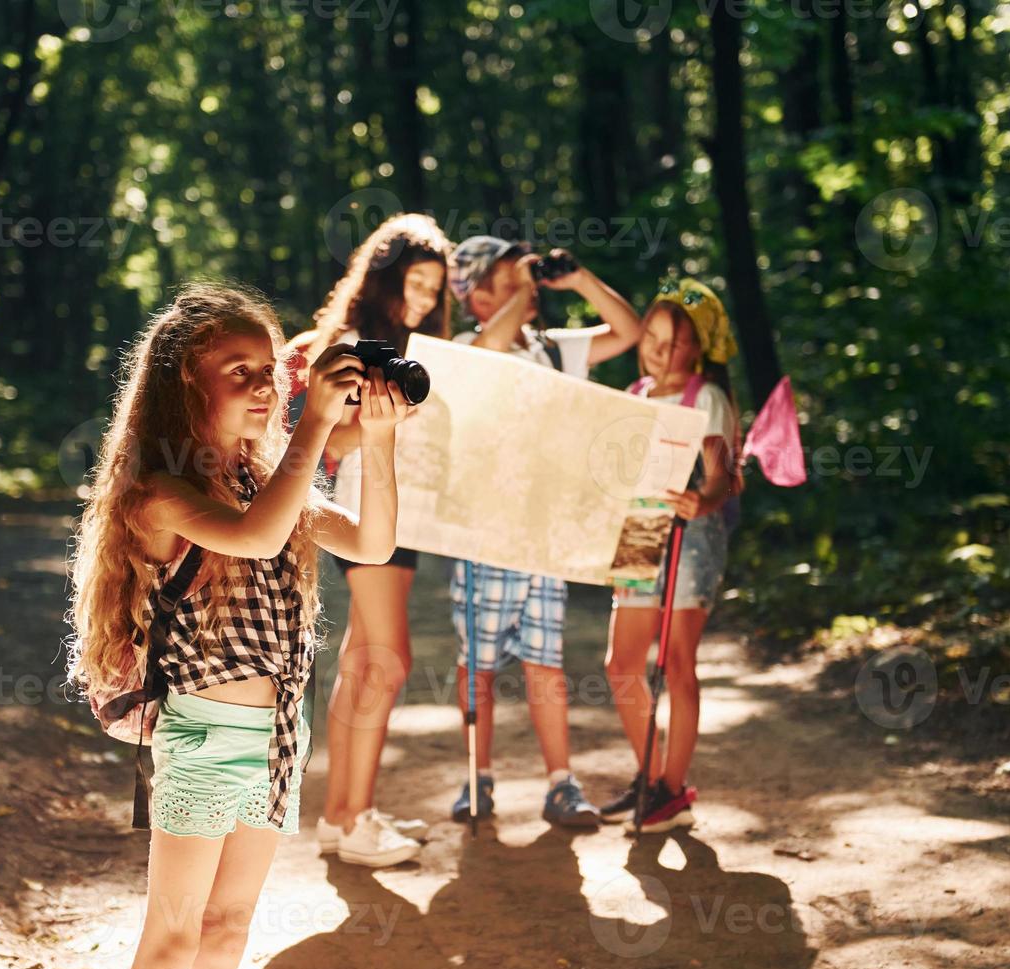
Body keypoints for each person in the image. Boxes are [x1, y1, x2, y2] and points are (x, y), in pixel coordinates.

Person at [66, 282, 412, 969]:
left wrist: (378, 440)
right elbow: (254, 540)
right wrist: (313, 426)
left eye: (270, 372)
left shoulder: (264, 483)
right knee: (173, 938)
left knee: (227, 931)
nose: (265, 388)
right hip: (203, 737)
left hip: (281, 733)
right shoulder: (160, 491)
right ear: (186, 381)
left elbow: (373, 544)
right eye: (241, 372)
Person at [444, 235, 644, 827]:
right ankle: (477, 777)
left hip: (546, 533)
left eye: (521, 280)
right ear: (477, 296)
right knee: (477, 659)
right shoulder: (466, 346)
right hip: (486, 532)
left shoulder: (554, 349)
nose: (521, 290)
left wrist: (578, 281)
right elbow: (486, 355)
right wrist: (525, 290)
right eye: (506, 281)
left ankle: (561, 782)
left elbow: (628, 332)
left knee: (544, 660)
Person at [289, 213, 452, 866]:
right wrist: (390, 426)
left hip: (395, 508)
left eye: (435, 288)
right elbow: (326, 442)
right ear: (385, 278)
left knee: (362, 659)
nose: (425, 298)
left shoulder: (406, 349)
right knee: (388, 660)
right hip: (365, 508)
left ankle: (341, 818)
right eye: (416, 281)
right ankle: (354, 821)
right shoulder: (359, 345)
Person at [599, 276, 741, 833]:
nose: (658, 349)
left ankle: (673, 790)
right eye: (651, 336)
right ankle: (653, 779)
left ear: (698, 347)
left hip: (690, 536)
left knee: (677, 665)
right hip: (638, 533)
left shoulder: (705, 397)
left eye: (674, 341)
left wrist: (698, 501)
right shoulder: (634, 395)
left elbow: (723, 478)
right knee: (621, 665)